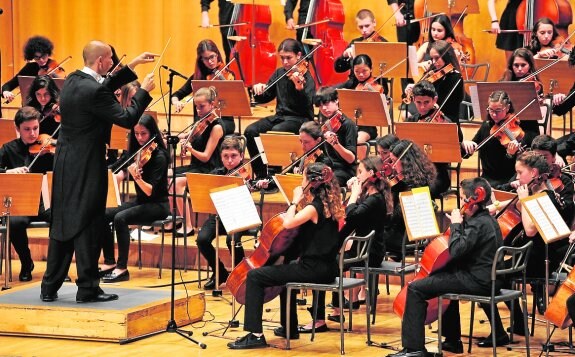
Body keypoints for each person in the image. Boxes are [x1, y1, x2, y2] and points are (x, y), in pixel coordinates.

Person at [40, 41, 156, 303]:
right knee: (90, 222)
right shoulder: (93, 90)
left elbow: (100, 89)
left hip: (65, 162)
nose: (111, 64)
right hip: (87, 163)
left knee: (63, 221)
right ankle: (88, 288)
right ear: (102, 61)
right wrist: (143, 92)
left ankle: (49, 287)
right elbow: (126, 118)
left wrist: (132, 65)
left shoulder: (71, 80)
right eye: (110, 60)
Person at [227, 162, 344, 349]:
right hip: (327, 268)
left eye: (304, 177)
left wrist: (294, 200)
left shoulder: (313, 208)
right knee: (285, 272)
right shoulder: (329, 205)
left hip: (312, 269)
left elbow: (288, 223)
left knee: (255, 276)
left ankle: (255, 335)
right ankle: (289, 327)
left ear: (311, 182)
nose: (302, 181)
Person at [387, 177, 502, 357]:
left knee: (416, 288)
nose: (461, 202)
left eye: (463, 197)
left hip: (477, 281)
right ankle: (452, 340)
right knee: (444, 277)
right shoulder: (487, 219)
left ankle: (414, 349)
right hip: (484, 277)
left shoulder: (478, 225)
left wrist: (455, 223)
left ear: (472, 200)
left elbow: (456, 251)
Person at [479, 151, 571, 347]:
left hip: (538, 260)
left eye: (520, 172)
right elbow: (515, 203)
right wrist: (494, 206)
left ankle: (499, 332)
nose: (517, 177)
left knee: (483, 279)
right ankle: (519, 323)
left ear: (534, 172)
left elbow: (529, 230)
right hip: (527, 256)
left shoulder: (545, 196)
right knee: (493, 275)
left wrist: (526, 199)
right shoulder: (537, 190)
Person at [300, 156, 391, 332]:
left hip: (369, 253)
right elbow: (350, 221)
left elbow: (350, 216)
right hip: (365, 249)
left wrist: (354, 194)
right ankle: (335, 307)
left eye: (360, 172)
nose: (357, 176)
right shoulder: (372, 197)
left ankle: (320, 319)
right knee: (328, 259)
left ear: (371, 174)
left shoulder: (374, 200)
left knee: (322, 265)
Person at [99, 114, 170, 283]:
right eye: (136, 133)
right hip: (141, 202)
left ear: (152, 132)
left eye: (143, 133)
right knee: (102, 215)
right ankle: (109, 262)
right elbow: (117, 166)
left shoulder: (159, 156)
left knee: (120, 218)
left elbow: (150, 192)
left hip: (157, 204)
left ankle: (122, 268)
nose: (139, 137)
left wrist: (137, 178)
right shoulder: (137, 151)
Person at [244, 38, 315, 180]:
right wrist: (257, 90)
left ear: (299, 55)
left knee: (276, 132)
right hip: (280, 117)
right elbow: (265, 97)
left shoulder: (306, 76)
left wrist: (299, 88)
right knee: (250, 131)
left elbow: (308, 104)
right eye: (282, 58)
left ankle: (273, 177)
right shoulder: (279, 73)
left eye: (289, 58)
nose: (285, 62)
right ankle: (261, 176)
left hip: (300, 119)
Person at [0, 107, 53, 281]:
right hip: (20, 201)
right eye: (27, 129)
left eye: (36, 128)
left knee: (60, 218)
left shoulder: (47, 148)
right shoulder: (8, 149)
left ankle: (54, 268)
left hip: (42, 200)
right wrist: (8, 172)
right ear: (17, 129)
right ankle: (26, 261)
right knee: (14, 221)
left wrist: (55, 154)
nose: (33, 134)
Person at [170, 86, 225, 237]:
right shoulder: (201, 121)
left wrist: (190, 149)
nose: (199, 110)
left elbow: (206, 156)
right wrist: (169, 137)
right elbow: (188, 134)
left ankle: (188, 225)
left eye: (202, 106)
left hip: (209, 170)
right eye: (196, 107)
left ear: (212, 104)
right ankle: (173, 220)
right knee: (165, 175)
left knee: (176, 183)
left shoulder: (217, 127)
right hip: (196, 166)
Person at [197, 136, 248, 290]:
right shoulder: (217, 174)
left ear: (241, 156)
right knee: (202, 239)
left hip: (240, 216)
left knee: (231, 239)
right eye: (226, 156)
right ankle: (220, 272)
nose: (230, 161)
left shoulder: (245, 174)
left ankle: (242, 276)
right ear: (221, 157)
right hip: (219, 216)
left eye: (234, 156)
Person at [461, 90, 539, 187]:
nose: (493, 114)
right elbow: (465, 154)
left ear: (507, 108)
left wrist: (510, 155)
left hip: (507, 179)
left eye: (498, 111)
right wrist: (465, 144)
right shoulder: (486, 126)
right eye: (491, 110)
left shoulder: (517, 130)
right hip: (486, 178)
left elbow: (510, 168)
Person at [405, 80, 461, 199]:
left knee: (421, 190)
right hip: (413, 172)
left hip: (437, 174)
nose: (422, 107)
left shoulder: (444, 122)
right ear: (413, 99)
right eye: (418, 102)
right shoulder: (411, 122)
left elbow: (454, 146)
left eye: (426, 102)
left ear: (435, 100)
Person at [385, 139, 437, 259]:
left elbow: (394, 218)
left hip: (404, 239)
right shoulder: (420, 180)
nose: (392, 166)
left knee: (370, 237)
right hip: (407, 236)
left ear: (404, 161)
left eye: (393, 161)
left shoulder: (412, 189)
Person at [171, 39, 235, 135]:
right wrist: (176, 102)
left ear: (217, 54)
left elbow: (235, 101)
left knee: (211, 129)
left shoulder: (228, 75)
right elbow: (177, 94)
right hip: (201, 122)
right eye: (205, 58)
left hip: (224, 121)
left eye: (212, 57)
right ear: (201, 59)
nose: (210, 61)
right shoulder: (197, 77)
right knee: (201, 130)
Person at [337, 54, 387, 161]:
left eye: (364, 71)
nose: (360, 74)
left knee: (358, 140)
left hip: (367, 127)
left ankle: (364, 165)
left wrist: (373, 96)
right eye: (357, 71)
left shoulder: (377, 87)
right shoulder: (352, 84)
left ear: (371, 69)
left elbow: (381, 109)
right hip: (351, 124)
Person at [405, 40, 464, 122]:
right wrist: (414, 89)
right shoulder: (433, 72)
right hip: (429, 113)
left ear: (446, 56)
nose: (433, 62)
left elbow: (439, 101)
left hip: (446, 119)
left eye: (436, 58)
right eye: (432, 58)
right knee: (407, 119)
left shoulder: (455, 77)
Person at [313, 87, 357, 186]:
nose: (323, 108)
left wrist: (335, 143)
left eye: (326, 103)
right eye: (320, 106)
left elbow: (351, 159)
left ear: (336, 100)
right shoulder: (324, 125)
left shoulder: (348, 125)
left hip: (345, 170)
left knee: (325, 182)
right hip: (328, 167)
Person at [2, 36, 62, 104]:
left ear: (48, 54)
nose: (41, 60)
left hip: (51, 105)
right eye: (37, 57)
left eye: (44, 56)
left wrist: (54, 75)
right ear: (32, 56)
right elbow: (9, 84)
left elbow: (63, 87)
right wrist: (6, 91)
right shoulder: (29, 68)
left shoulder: (55, 66)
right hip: (32, 106)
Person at [334, 9, 388, 76]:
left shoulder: (384, 44)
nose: (364, 30)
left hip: (376, 83)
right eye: (361, 27)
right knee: (327, 87)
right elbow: (339, 69)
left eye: (367, 26)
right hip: (354, 83)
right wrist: (344, 55)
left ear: (374, 22)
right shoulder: (355, 43)